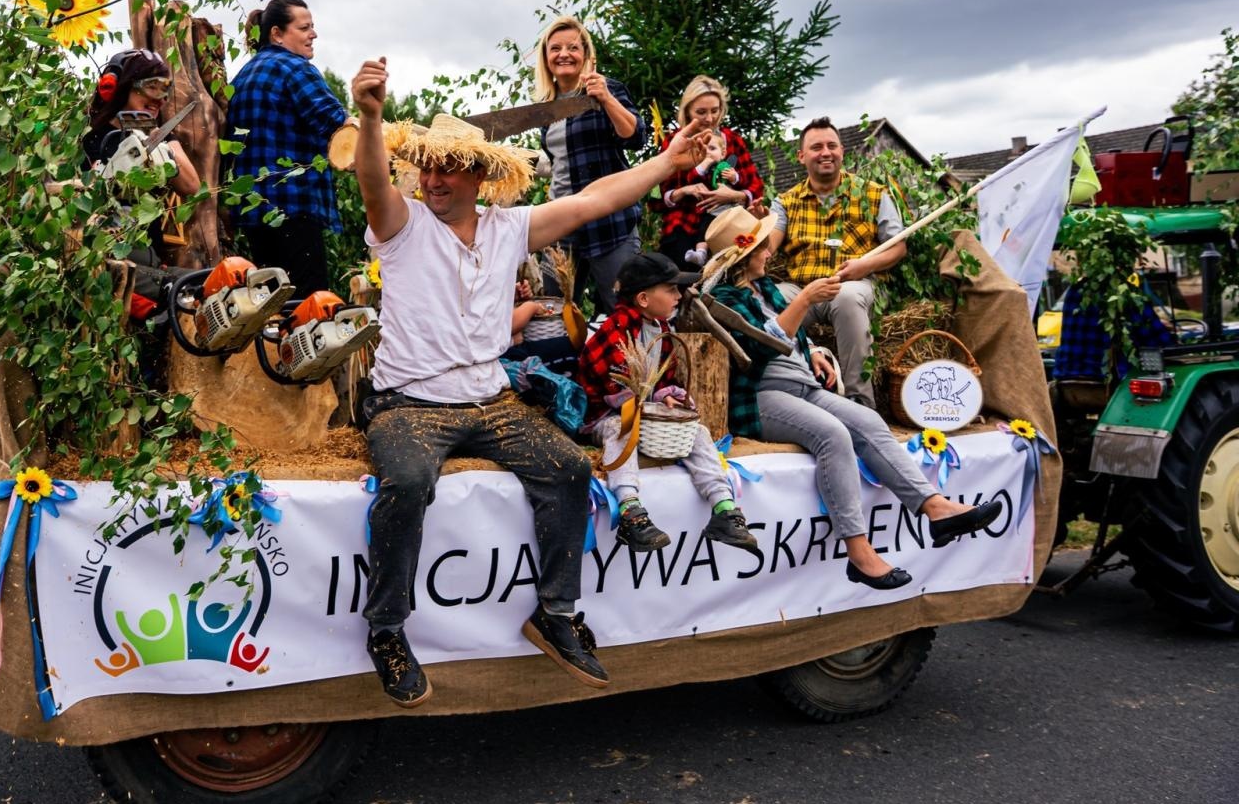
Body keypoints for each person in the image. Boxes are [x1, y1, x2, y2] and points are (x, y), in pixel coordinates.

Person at [349, 56, 716, 707]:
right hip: (408, 405)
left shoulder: (506, 229)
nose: (432, 177)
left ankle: (555, 612)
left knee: (571, 468)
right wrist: (372, 118)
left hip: (492, 403)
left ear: (480, 175)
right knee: (407, 480)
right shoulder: (402, 228)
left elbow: (595, 198)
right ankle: (386, 629)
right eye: (426, 165)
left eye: (448, 166)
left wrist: (667, 163)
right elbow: (374, 181)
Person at [704, 206, 1002, 589]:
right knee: (833, 435)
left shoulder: (764, 290)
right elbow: (759, 347)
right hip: (763, 394)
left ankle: (935, 508)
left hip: (802, 386)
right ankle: (859, 554)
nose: (769, 253)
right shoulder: (722, 300)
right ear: (743, 257)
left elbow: (789, 334)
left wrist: (810, 349)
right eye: (762, 248)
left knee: (868, 421)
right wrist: (806, 299)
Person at [573, 251, 758, 553]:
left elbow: (662, 380)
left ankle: (724, 507)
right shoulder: (617, 329)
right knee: (622, 427)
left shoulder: (662, 330)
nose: (678, 295)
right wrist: (653, 397)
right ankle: (630, 508)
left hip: (645, 414)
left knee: (696, 431)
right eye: (670, 289)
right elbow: (613, 388)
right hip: (606, 414)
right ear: (644, 299)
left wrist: (670, 395)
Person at [81, 48, 203, 385]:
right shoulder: (87, 138)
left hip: (146, 258)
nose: (157, 99)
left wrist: (161, 150)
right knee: (175, 293)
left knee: (208, 282)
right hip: (104, 260)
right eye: (149, 88)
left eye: (164, 90)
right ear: (118, 87)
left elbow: (192, 185)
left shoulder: (160, 135)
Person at [767, 117, 904, 411]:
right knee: (770, 299)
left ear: (842, 151)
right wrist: (752, 231)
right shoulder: (785, 201)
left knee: (847, 297)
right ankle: (787, 393)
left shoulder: (874, 193)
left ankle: (860, 404)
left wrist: (864, 267)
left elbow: (897, 248)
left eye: (832, 145)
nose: (825, 152)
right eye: (816, 147)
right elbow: (769, 245)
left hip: (858, 284)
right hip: (803, 287)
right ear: (801, 156)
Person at [223, 0, 347, 295]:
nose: (313, 34)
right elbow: (339, 125)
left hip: (256, 213)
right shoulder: (294, 68)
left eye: (313, 27)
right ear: (277, 34)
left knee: (272, 305)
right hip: (295, 207)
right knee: (309, 306)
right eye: (304, 28)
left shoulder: (243, 76)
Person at [531, 15, 647, 313]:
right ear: (546, 58)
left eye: (572, 47)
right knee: (554, 312)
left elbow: (636, 137)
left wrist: (606, 98)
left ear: (585, 54)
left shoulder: (606, 89)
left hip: (609, 220)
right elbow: (559, 161)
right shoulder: (547, 105)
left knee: (621, 307)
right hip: (562, 225)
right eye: (555, 48)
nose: (564, 54)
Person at [654, 75, 766, 270]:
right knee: (681, 267)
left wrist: (734, 195)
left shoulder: (732, 140)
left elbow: (756, 187)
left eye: (715, 111)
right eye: (701, 112)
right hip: (685, 222)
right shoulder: (674, 142)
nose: (709, 118)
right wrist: (683, 191)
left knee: (735, 268)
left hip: (727, 221)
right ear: (687, 112)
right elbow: (655, 199)